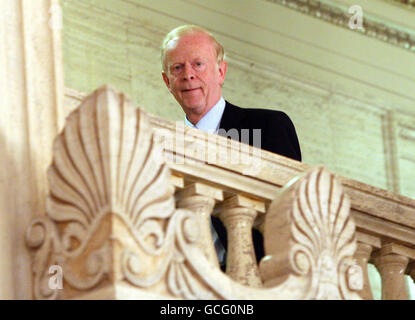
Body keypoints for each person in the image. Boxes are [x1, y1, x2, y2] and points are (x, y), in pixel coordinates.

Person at [161, 25, 302, 270]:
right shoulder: (160, 147)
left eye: (198, 64)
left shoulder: (267, 126)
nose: (188, 75)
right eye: (177, 67)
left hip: (254, 281)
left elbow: (291, 215)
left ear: (221, 72)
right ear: (167, 81)